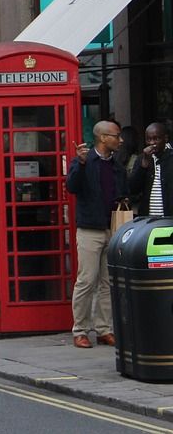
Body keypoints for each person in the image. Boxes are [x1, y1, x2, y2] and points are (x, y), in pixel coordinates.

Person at [66, 120, 128, 348]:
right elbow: (71, 187)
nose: (120, 140)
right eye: (116, 136)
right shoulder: (84, 161)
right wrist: (80, 164)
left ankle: (104, 329)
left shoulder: (116, 165)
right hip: (89, 230)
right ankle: (80, 330)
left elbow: (123, 191)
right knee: (86, 281)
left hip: (112, 227)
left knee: (108, 282)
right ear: (103, 138)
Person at [128, 121, 171, 218]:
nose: (152, 143)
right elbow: (133, 189)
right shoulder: (141, 158)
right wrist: (143, 165)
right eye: (148, 139)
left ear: (165, 138)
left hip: (169, 219)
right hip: (148, 219)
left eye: (156, 139)